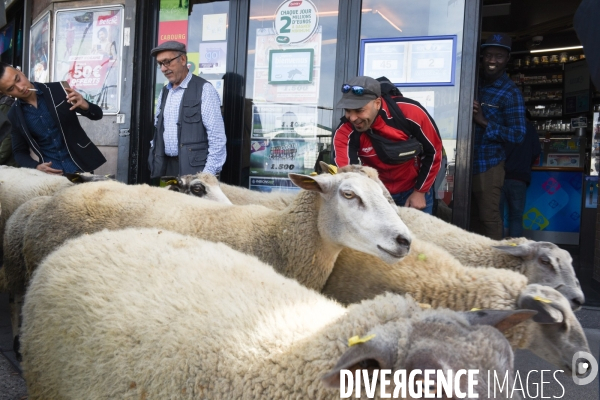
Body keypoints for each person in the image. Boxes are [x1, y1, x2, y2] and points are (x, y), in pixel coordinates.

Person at [333, 76, 442, 214]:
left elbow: (433, 151)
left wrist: (420, 191)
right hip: (376, 195)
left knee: (419, 235)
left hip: (413, 190)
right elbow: (348, 176)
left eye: (359, 110)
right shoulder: (344, 131)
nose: (353, 118)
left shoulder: (411, 112)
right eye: (348, 111)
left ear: (377, 103)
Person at [0, 62, 106, 175]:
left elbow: (97, 115)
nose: (20, 88)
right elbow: (19, 151)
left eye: (18, 79)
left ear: (21, 72)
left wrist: (86, 106)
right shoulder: (14, 114)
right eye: (11, 88)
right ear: (5, 93)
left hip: (81, 165)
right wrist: (35, 166)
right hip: (51, 175)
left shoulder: (58, 90)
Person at [471, 33, 526, 240]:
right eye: (488, 55)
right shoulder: (473, 82)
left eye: (499, 56)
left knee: (489, 218)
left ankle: (496, 265)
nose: (492, 60)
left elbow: (518, 135)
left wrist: (483, 121)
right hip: (463, 165)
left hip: (489, 165)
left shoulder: (510, 92)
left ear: (507, 59)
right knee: (466, 216)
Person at [149, 41, 226, 178]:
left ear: (183, 59)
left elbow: (217, 138)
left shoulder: (204, 89)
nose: (163, 68)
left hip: (195, 172)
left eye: (167, 62)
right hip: (166, 169)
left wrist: (207, 175)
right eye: (160, 64)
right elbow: (157, 130)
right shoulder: (164, 92)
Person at [499, 110, 542, 238]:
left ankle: (497, 247)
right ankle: (514, 249)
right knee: (516, 216)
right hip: (519, 178)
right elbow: (536, 150)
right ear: (527, 118)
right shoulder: (530, 129)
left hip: (501, 176)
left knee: (497, 216)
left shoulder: (505, 126)